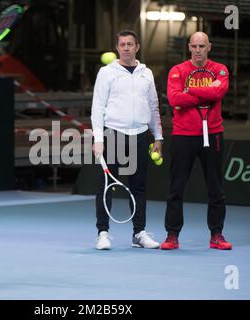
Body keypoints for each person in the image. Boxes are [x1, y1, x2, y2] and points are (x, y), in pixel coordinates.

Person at [91, 30, 163, 250]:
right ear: (117, 47)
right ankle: (103, 233)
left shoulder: (146, 73)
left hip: (140, 136)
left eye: (130, 44)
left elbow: (153, 107)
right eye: (122, 44)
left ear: (137, 47)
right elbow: (98, 106)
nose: (126, 48)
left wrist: (158, 136)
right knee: (105, 186)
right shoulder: (106, 72)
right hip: (112, 134)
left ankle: (139, 233)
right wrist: (98, 137)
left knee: (138, 187)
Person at [161, 32, 232, 250]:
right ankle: (172, 235)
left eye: (202, 46)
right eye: (194, 46)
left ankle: (217, 235)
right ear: (189, 47)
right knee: (176, 188)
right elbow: (174, 99)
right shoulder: (177, 70)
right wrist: (206, 93)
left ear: (209, 46)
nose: (198, 50)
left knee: (215, 188)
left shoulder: (220, 69)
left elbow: (219, 92)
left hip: (213, 133)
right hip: (183, 135)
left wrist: (189, 90)